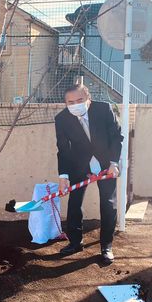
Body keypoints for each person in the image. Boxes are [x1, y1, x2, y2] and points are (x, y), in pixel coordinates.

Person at [55, 84, 123, 264]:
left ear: (88, 99)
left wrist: (114, 163)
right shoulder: (62, 119)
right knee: (74, 203)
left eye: (79, 100)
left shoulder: (103, 109)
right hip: (80, 164)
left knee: (108, 204)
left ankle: (106, 246)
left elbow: (117, 137)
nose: (75, 104)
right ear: (66, 103)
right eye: (70, 102)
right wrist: (63, 177)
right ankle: (75, 242)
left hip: (106, 163)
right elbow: (63, 149)